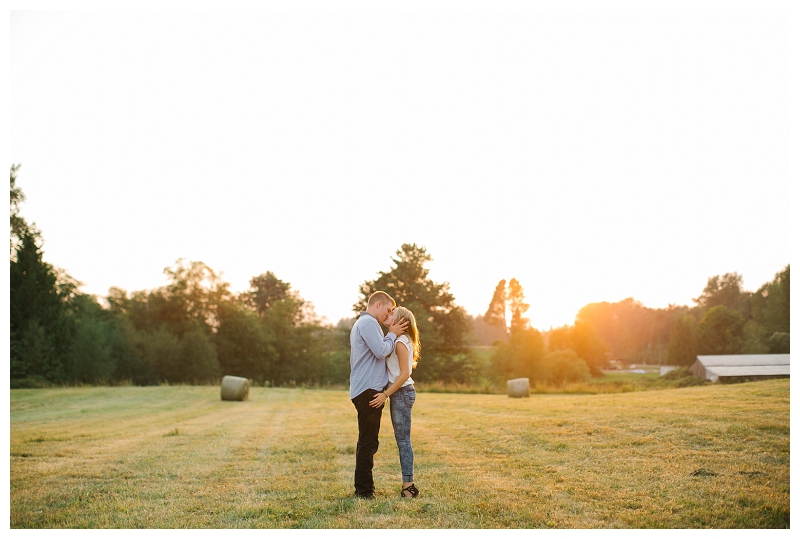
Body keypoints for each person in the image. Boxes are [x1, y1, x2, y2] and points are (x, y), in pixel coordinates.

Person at [350, 291, 408, 499]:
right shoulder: (368, 324)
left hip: (366, 390)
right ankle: (365, 492)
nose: (389, 315)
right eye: (388, 310)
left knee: (366, 440)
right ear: (379, 304)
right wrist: (392, 333)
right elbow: (381, 351)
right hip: (368, 392)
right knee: (368, 442)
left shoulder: (365, 324)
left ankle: (362, 489)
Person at [368, 306, 420, 498]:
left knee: (404, 441)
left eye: (393, 315)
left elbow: (405, 374)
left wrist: (386, 394)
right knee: (402, 441)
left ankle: (408, 487)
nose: (388, 315)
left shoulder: (400, 342)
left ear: (402, 323)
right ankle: (408, 485)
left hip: (402, 393)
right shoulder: (397, 339)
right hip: (400, 393)